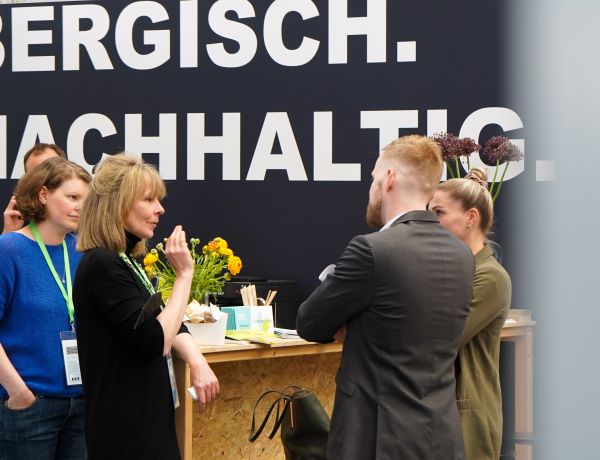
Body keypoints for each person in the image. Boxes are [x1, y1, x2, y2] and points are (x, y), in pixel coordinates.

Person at [296, 135, 475, 460]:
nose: (371, 188)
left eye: (374, 177)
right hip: (441, 437)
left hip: (376, 438)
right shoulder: (461, 254)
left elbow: (310, 323)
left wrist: (351, 322)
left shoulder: (372, 250)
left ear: (389, 178)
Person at [73, 154, 219, 460]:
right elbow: (156, 339)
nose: (160, 209)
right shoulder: (102, 264)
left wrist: (197, 361)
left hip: (148, 420)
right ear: (118, 204)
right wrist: (184, 275)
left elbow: (170, 321)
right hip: (123, 431)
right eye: (148, 199)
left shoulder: (127, 260)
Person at [0, 157, 91, 459]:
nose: (80, 207)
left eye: (85, 199)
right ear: (43, 195)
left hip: (80, 405)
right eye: (72, 197)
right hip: (29, 406)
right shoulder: (8, 250)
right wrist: (18, 391)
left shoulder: (81, 251)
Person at [429, 167, 512, 460]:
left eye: (439, 213)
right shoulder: (448, 271)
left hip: (466, 421)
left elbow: (439, 338)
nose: (430, 221)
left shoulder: (490, 277)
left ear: (471, 217)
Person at [3, 143, 67, 234]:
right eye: (36, 174)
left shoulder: (79, 217)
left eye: (51, 171)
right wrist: (8, 233)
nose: (45, 180)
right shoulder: (16, 217)